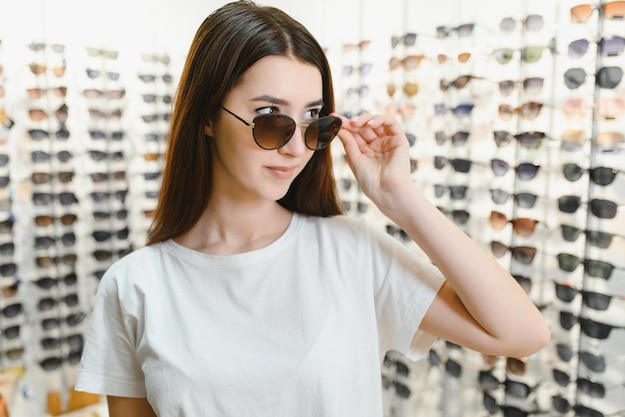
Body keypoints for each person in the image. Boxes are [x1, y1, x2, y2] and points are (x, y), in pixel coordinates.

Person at [74, 1, 550, 416]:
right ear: (207, 119)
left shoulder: (349, 251)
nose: (296, 148)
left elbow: (521, 333)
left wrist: (399, 198)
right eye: (269, 118)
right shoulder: (134, 285)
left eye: (311, 121)